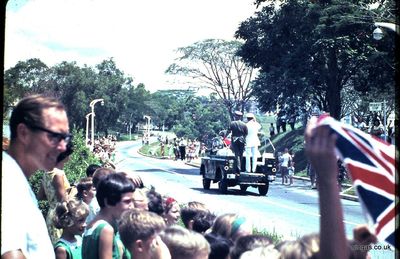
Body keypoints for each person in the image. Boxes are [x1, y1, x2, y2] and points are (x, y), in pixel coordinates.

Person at [2, 95, 72, 258]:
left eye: (65, 138)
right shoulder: (7, 181)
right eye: (55, 136)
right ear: (24, 133)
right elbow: (10, 252)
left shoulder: (17, 180)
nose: (63, 147)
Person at [304, 118, 349, 259]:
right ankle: (336, 189)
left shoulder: (337, 154)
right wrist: (327, 181)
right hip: (330, 172)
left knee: (338, 180)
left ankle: (338, 189)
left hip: (333, 171)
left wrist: (327, 181)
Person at [81, 173, 135, 259]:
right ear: (108, 201)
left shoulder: (92, 225)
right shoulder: (106, 230)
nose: (132, 206)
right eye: (127, 201)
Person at [38, 140, 74, 244]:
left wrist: (51, 197)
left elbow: (40, 196)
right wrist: (73, 191)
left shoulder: (47, 172)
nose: (70, 157)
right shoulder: (58, 174)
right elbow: (62, 200)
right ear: (64, 156)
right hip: (60, 215)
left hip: (51, 213)